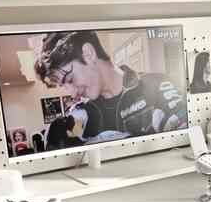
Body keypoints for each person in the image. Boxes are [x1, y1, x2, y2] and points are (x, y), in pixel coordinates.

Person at [33, 30, 187, 145]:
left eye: (70, 79)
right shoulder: (80, 115)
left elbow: (186, 143)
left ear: (88, 53)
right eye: (63, 86)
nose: (72, 94)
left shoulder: (158, 85)